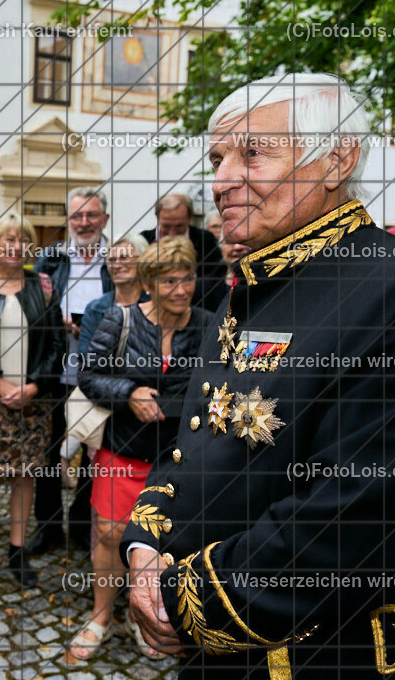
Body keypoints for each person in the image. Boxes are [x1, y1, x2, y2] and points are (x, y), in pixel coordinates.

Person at [123, 72, 395, 678]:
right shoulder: (248, 293)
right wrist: (146, 548)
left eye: (253, 152)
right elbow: (192, 446)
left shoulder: (383, 288)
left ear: (337, 161)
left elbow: (358, 512)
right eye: (218, 158)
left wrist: (181, 601)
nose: (221, 182)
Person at [71, 236, 210, 661]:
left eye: (188, 279)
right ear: (150, 282)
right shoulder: (120, 319)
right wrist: (129, 392)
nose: (182, 290)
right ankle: (99, 615)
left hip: (178, 460)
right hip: (123, 450)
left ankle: (148, 616)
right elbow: (90, 375)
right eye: (170, 281)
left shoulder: (207, 325)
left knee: (169, 545)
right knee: (111, 535)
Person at [0, 211, 65, 588]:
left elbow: (58, 344)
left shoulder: (45, 286)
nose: (14, 245)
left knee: (25, 479)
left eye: (21, 239)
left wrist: (35, 385)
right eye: (7, 239)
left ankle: (18, 551)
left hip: (34, 404)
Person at [28, 187, 114, 557]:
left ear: (104, 219)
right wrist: (54, 322)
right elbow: (32, 308)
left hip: (98, 373)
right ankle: (47, 528)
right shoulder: (50, 259)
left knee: (94, 450)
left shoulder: (118, 259)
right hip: (55, 370)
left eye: (91, 215)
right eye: (76, 216)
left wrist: (96, 327)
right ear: (67, 221)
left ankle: (81, 525)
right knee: (47, 453)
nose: (83, 222)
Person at [140, 194, 228, 310]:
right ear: (157, 218)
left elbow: (215, 277)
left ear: (190, 218)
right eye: (166, 226)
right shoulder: (143, 241)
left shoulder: (206, 240)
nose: (172, 232)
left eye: (179, 226)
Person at [78, 233, 150, 356]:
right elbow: (86, 361)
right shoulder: (95, 309)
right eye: (112, 260)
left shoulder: (156, 304)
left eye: (124, 258)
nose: (117, 265)